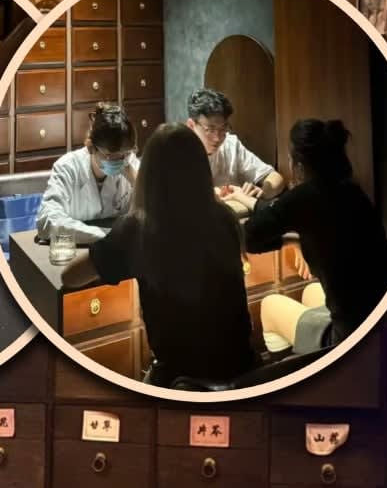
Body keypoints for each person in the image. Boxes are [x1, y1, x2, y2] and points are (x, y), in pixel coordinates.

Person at [62, 123, 258, 386]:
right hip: (243, 369)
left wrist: (111, 247)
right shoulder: (224, 218)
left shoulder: (139, 229)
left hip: (183, 379)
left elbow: (70, 276)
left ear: (149, 174)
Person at [224, 119, 387, 355]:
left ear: (298, 164)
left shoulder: (305, 196)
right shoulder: (352, 191)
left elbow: (251, 237)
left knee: (270, 306)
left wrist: (289, 239)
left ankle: (297, 376)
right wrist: (297, 239)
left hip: (351, 339)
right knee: (309, 291)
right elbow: (284, 213)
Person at [36, 104, 140, 244]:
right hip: (78, 250)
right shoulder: (68, 167)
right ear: (91, 147)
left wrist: (137, 181)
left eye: (124, 154)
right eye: (110, 156)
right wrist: (105, 237)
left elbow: (158, 214)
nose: (119, 161)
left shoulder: (130, 164)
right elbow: (47, 221)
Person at [185, 88, 285, 199]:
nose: (217, 138)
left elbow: (275, 178)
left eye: (223, 129)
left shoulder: (230, 145)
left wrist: (262, 192)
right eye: (210, 130)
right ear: (191, 125)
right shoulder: (177, 153)